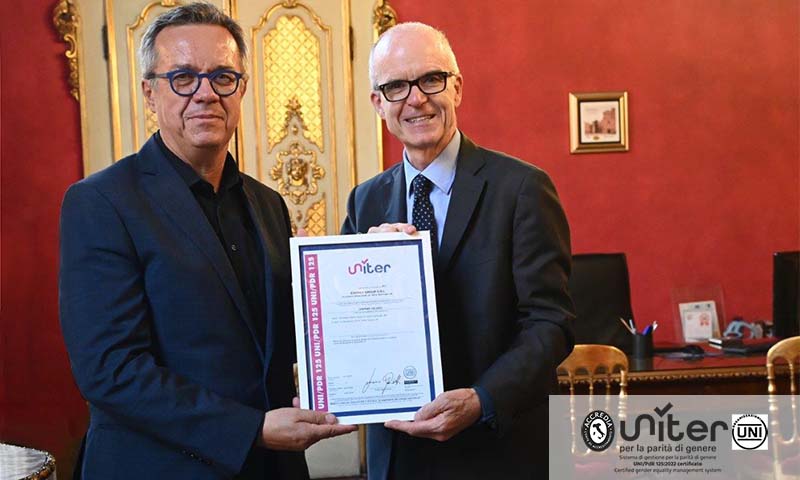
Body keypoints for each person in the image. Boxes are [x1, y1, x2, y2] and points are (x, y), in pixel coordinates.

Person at [58, 4, 355, 479]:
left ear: (241, 89)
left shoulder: (269, 204)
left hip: (272, 468)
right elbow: (110, 370)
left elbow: (289, 334)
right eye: (183, 77)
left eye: (222, 76)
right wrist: (251, 430)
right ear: (149, 93)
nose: (206, 93)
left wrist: (373, 267)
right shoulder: (101, 202)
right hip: (159, 468)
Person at [341, 22, 575, 479]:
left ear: (457, 88)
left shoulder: (522, 189)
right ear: (378, 103)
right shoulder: (364, 201)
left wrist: (482, 400)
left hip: (498, 450)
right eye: (395, 86)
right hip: (399, 454)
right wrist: (362, 271)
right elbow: (350, 327)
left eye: (431, 79)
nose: (416, 99)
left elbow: (551, 323)